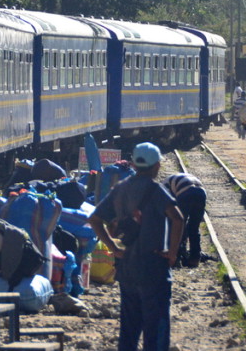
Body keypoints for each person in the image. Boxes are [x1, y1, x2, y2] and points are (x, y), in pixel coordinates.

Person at [89, 142, 184, 351]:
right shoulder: (157, 190)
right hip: (154, 268)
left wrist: (113, 247)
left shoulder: (120, 189)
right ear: (157, 166)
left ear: (132, 164)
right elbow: (178, 219)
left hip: (127, 269)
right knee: (156, 329)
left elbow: (95, 219)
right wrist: (173, 252)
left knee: (129, 330)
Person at [164, 172, 207, 267]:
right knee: (194, 227)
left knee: (179, 225)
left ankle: (177, 257)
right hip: (201, 192)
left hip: (185, 192)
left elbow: (169, 212)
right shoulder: (170, 181)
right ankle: (194, 259)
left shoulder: (163, 188)